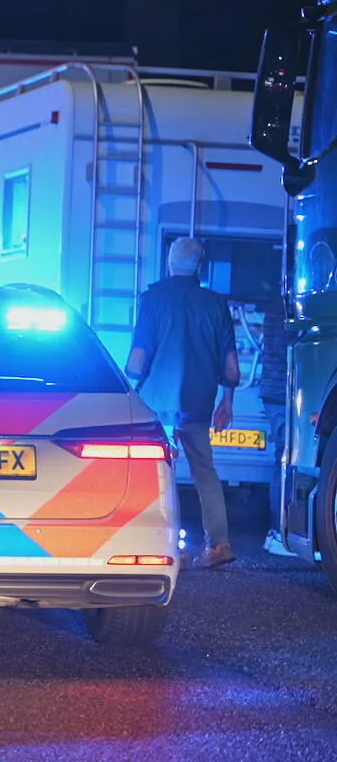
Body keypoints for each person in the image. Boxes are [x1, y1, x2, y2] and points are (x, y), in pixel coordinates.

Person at [127, 237, 241, 569]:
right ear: (200, 268)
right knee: (205, 472)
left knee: (159, 474)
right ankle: (219, 544)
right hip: (198, 402)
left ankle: (165, 546)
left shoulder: (152, 299)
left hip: (155, 406)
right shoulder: (217, 304)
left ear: (169, 263)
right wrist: (227, 401)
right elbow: (231, 364)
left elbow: (137, 361)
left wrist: (130, 384)